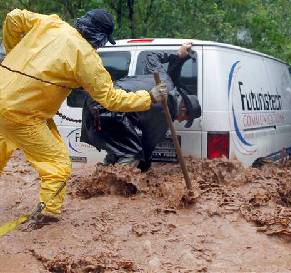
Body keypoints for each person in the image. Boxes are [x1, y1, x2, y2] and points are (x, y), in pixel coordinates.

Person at [0, 9, 167, 226]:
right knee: (58, 165)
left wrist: (12, 54)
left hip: (4, 96)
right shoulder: (86, 58)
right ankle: (47, 216)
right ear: (99, 37)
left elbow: (14, 16)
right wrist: (149, 96)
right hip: (22, 114)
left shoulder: (52, 24)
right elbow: (110, 99)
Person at [81, 43, 201, 172]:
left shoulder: (165, 80)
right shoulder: (163, 119)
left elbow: (151, 57)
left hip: (96, 98)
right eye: (185, 118)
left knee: (121, 146)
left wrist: (177, 54)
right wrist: (144, 168)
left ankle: (101, 176)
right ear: (184, 109)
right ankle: (113, 185)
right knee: (133, 151)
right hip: (108, 109)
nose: (181, 121)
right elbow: (147, 145)